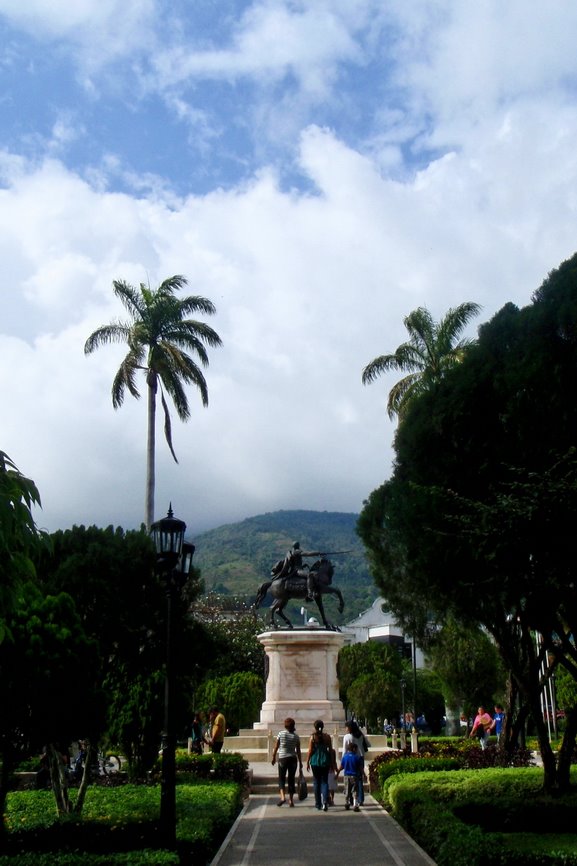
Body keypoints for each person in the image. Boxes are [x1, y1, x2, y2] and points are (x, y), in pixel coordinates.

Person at [271, 717, 303, 807]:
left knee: (281, 778)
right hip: (293, 759)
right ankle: (291, 801)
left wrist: (273, 757)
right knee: (291, 779)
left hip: (283, 758)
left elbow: (276, 746)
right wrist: (300, 762)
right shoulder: (296, 736)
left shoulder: (281, 734)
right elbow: (298, 751)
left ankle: (282, 797)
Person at [306, 719, 332, 811]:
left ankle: (318, 803)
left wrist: (307, 762)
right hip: (325, 760)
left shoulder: (313, 737)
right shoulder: (327, 737)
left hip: (315, 761)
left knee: (316, 782)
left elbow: (310, 751)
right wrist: (332, 762)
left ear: (315, 727)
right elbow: (331, 751)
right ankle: (325, 801)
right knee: (324, 782)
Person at [342, 719, 369, 806]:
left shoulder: (347, 737)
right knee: (359, 779)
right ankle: (360, 799)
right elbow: (366, 745)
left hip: (350, 759)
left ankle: (350, 799)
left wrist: (343, 761)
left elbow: (344, 750)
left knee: (350, 780)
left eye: (346, 727)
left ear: (349, 728)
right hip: (360, 757)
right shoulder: (360, 734)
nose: (345, 728)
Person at [337, 741, 363, 811]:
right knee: (355, 790)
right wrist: (363, 774)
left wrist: (337, 773)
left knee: (347, 790)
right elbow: (360, 767)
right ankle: (355, 804)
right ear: (354, 749)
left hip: (347, 776)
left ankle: (347, 802)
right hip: (355, 776)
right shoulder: (357, 757)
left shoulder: (345, 757)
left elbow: (341, 766)